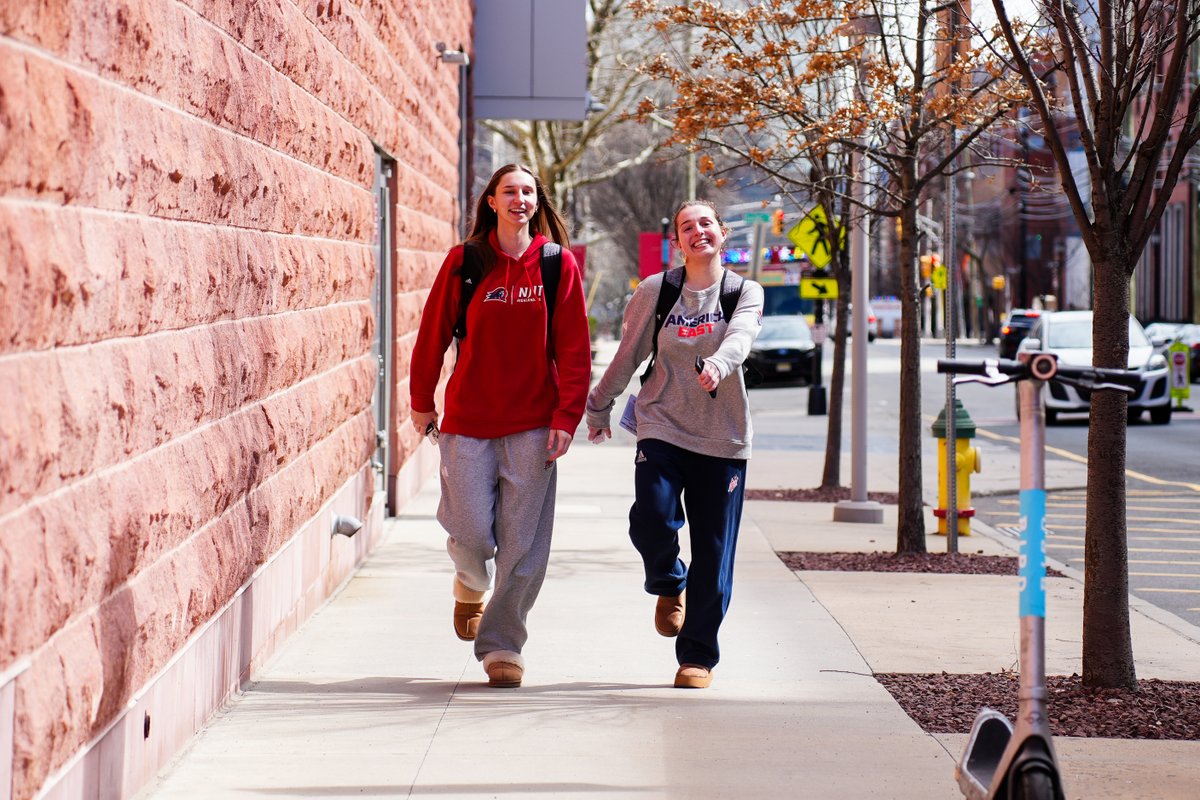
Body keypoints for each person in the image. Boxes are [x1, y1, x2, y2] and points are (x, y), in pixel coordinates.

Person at [409, 164, 591, 688]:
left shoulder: (558, 265)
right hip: (468, 421)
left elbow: (574, 349)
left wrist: (567, 415)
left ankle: (503, 646)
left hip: (534, 424)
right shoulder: (466, 261)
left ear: (537, 202)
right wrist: (422, 402)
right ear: (491, 201)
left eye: (528, 191)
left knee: (523, 543)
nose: (519, 199)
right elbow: (431, 335)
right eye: (509, 191)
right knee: (468, 530)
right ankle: (469, 582)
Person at [586, 200, 763, 689]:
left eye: (706, 223)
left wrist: (719, 366)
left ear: (722, 234)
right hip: (662, 423)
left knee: (714, 550)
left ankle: (698, 658)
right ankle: (668, 581)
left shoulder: (743, 291)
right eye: (688, 226)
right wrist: (597, 407)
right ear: (677, 242)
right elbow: (628, 355)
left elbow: (742, 337)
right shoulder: (657, 291)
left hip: (722, 436)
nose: (698, 231)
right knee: (652, 515)